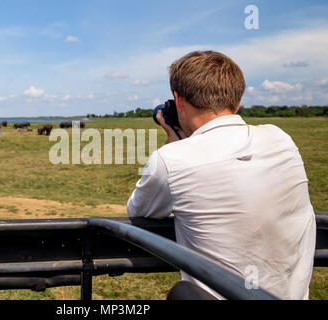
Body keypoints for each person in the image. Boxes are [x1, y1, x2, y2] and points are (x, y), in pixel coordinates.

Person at [127, 50, 316, 300]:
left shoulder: (171, 160)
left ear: (178, 100)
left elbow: (138, 212)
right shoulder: (281, 139)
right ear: (236, 103)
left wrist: (174, 145)